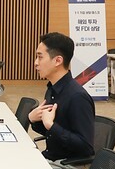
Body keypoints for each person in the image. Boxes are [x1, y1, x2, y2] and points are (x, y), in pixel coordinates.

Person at [29, 32, 95, 161]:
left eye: (40, 57)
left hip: (67, 166)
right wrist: (33, 119)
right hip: (51, 158)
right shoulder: (52, 89)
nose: (36, 63)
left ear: (58, 60)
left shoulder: (77, 97)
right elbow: (52, 134)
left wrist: (51, 125)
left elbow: (86, 148)